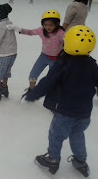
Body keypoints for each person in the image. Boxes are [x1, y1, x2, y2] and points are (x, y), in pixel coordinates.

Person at [24, 25, 97, 178]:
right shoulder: (92, 64)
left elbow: (47, 82)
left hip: (65, 112)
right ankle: (81, 161)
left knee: (56, 136)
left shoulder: (63, 64)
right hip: (84, 114)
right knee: (77, 135)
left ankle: (52, 159)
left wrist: (33, 94)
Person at [6, 10, 65, 97]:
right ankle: (31, 90)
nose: (48, 27)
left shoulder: (61, 33)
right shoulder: (41, 30)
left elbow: (68, 43)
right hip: (43, 57)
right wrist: (19, 29)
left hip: (56, 60)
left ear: (57, 24)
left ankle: (53, 97)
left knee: (53, 79)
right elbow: (30, 32)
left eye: (51, 25)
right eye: (45, 25)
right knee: (33, 74)